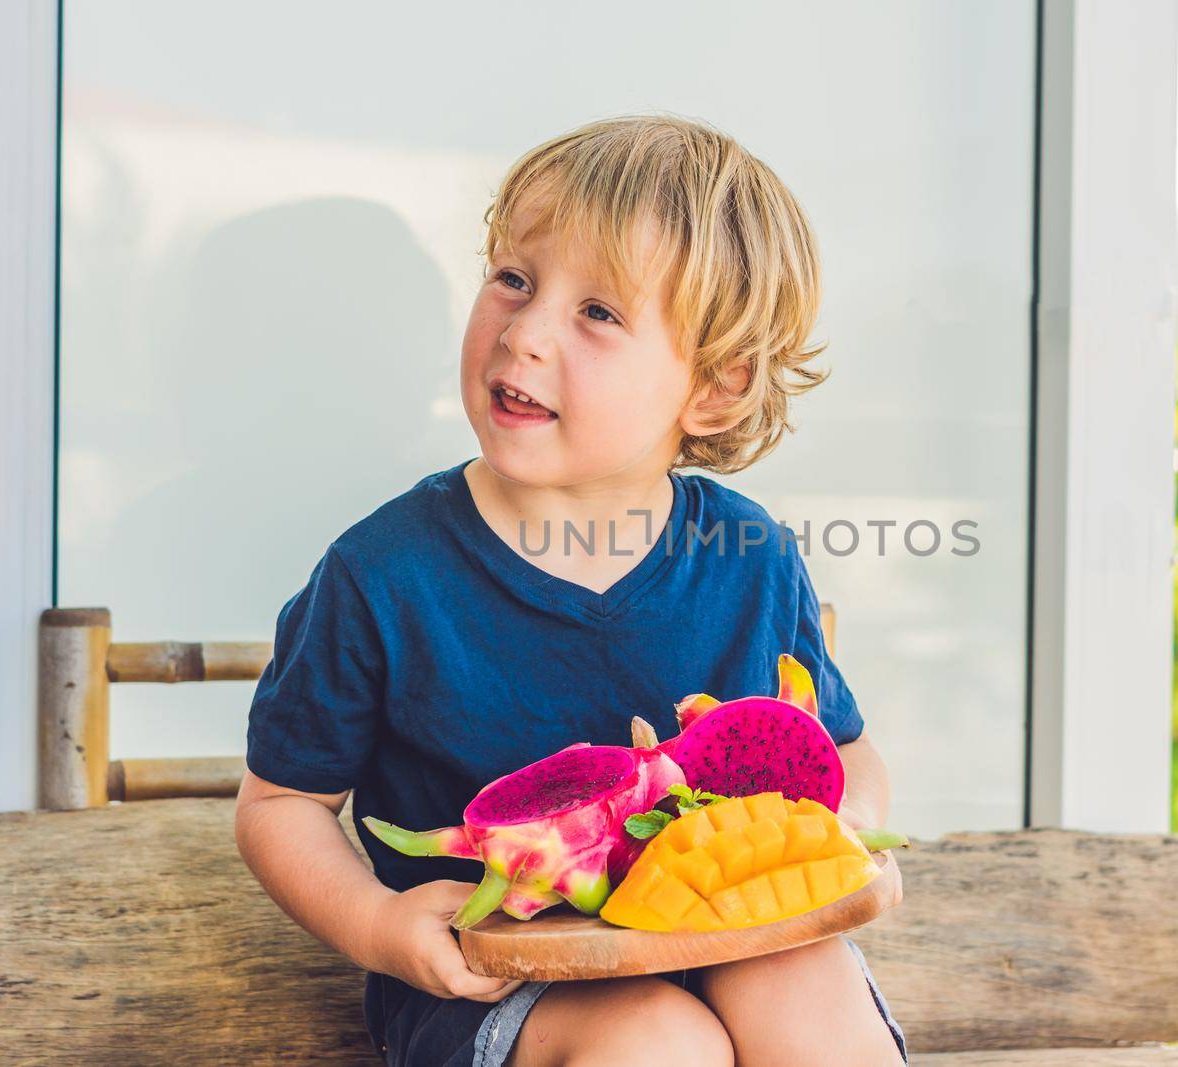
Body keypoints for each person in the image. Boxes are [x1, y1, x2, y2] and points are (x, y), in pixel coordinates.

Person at [234, 113, 907, 1067]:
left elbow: (843, 750)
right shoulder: (381, 573)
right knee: (655, 1040)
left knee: (805, 985)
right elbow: (279, 805)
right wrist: (380, 927)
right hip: (501, 976)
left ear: (713, 387)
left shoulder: (748, 553)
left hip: (726, 925)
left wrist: (836, 829)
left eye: (597, 312)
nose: (526, 331)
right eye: (514, 278)